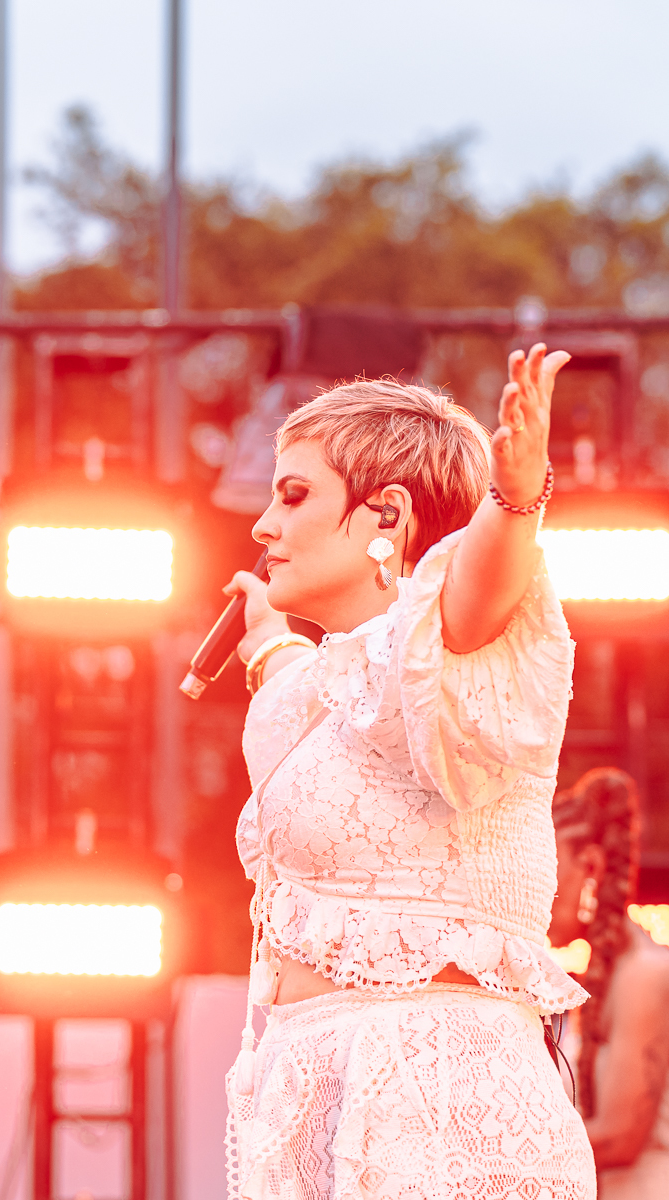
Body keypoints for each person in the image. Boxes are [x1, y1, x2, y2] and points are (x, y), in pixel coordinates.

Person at [224, 344, 595, 1200]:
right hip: (309, 1082)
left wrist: (515, 498)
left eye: (293, 495)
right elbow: (308, 681)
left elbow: (473, 590)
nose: (263, 527)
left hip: (432, 1091)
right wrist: (267, 638)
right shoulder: (322, 685)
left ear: (386, 515)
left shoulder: (452, 649)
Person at [550, 768, 669, 1199]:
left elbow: (619, 1138)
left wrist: (497, 1157)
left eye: (547, 872)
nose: (536, 895)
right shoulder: (602, 977)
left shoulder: (644, 974)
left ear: (591, 867)